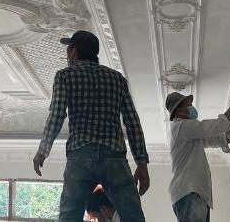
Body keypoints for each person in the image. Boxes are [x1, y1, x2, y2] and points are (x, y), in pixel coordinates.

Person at [32, 30, 149, 222]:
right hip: (114, 157)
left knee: (69, 216)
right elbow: (132, 121)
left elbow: (57, 115)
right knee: (133, 216)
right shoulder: (117, 78)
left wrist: (42, 151)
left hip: (81, 156)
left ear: (73, 51)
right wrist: (142, 164)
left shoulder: (64, 76)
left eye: (68, 49)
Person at [166, 85, 230, 222]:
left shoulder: (189, 135)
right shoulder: (182, 126)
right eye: (188, 105)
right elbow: (219, 126)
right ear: (178, 110)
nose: (192, 107)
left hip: (194, 191)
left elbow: (218, 139)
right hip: (189, 190)